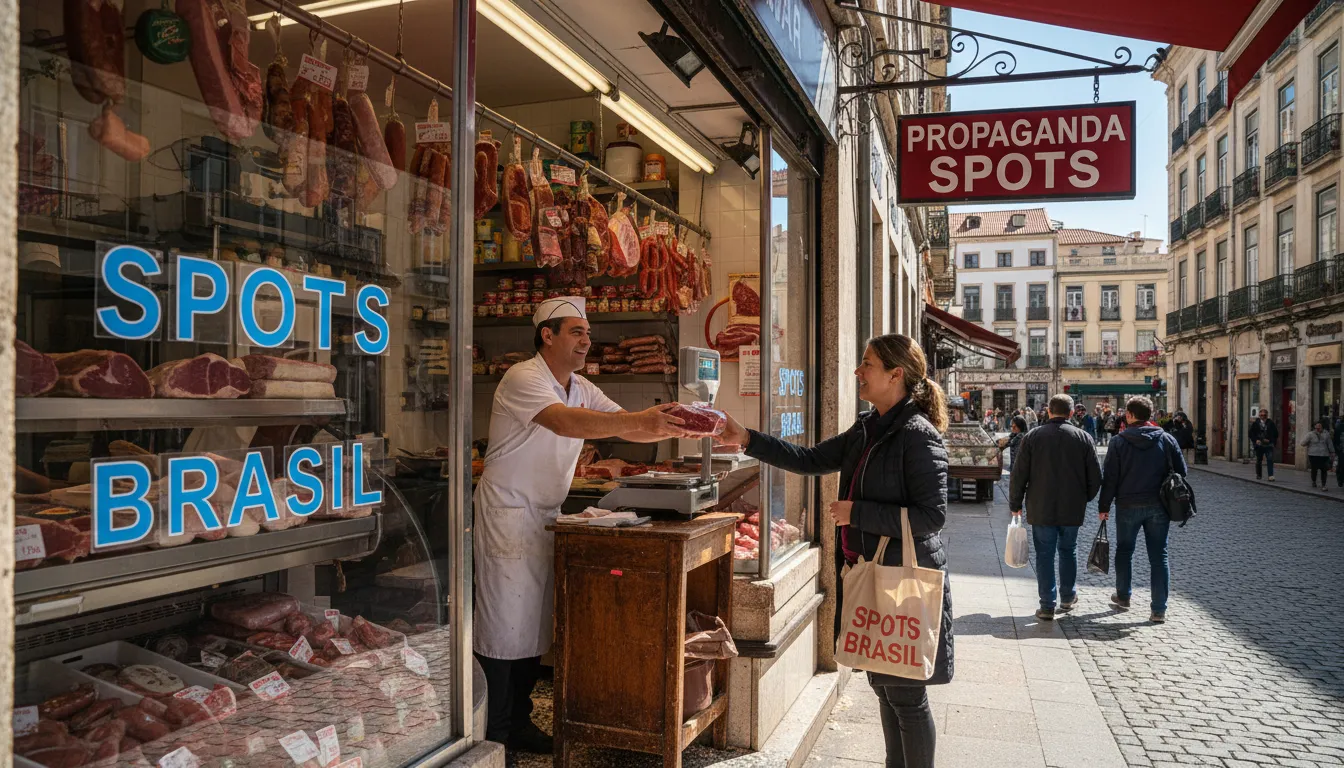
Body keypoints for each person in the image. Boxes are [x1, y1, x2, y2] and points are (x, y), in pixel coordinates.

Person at [718, 333, 953, 768]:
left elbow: (931, 517)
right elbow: (809, 459)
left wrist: (855, 512)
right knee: (885, 687)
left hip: (900, 581)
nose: (858, 371)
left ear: (895, 374)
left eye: (867, 364)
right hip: (869, 576)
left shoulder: (917, 435)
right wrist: (747, 438)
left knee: (905, 696)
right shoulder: (868, 427)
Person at [473, 297, 691, 754]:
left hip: (546, 516)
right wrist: (642, 419)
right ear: (547, 336)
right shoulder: (524, 377)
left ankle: (519, 722)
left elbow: (622, 427)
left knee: (534, 625)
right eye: (576, 331)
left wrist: (678, 425)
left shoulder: (580, 385)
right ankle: (491, 735)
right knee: (502, 626)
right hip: (507, 514)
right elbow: (566, 423)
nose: (586, 340)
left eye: (588, 333)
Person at [1008, 395, 1102, 621]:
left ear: (1048, 412)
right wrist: (1085, 497)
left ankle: (1047, 604)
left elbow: (1019, 474)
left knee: (1044, 554)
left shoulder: (1032, 437)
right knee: (1068, 550)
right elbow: (1096, 477)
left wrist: (1015, 504)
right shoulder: (1084, 438)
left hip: (1041, 506)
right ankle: (1068, 596)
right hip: (1072, 506)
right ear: (1071, 413)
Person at [1098, 395, 1186, 624]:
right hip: (1159, 506)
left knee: (1124, 551)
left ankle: (1124, 595)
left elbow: (1110, 478)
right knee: (1159, 556)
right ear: (1151, 415)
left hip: (1127, 505)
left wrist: (1104, 506)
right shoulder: (1167, 439)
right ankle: (1159, 609)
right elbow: (1182, 472)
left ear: (1129, 415)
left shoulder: (1118, 442)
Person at [1302, 420, 1336, 490]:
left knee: (1324, 470)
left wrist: (1332, 452)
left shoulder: (1326, 434)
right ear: (1314, 427)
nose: (1318, 428)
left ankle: (1323, 485)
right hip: (1313, 455)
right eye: (1317, 426)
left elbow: (1330, 444)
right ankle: (1314, 481)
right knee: (1314, 470)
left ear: (1322, 427)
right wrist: (1307, 442)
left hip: (1324, 455)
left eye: (1320, 426)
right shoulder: (1310, 434)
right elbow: (1303, 443)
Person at [1249, 409, 1278, 481]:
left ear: (1267, 415)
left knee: (1270, 459)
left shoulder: (1271, 423)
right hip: (1259, 445)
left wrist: (1270, 440)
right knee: (1259, 460)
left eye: (1264, 415)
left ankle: (1270, 475)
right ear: (1259, 415)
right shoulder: (1255, 423)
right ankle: (1259, 474)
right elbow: (1251, 434)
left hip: (1269, 445)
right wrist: (1256, 440)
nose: (1263, 417)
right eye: (1261, 415)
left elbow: (1276, 434)